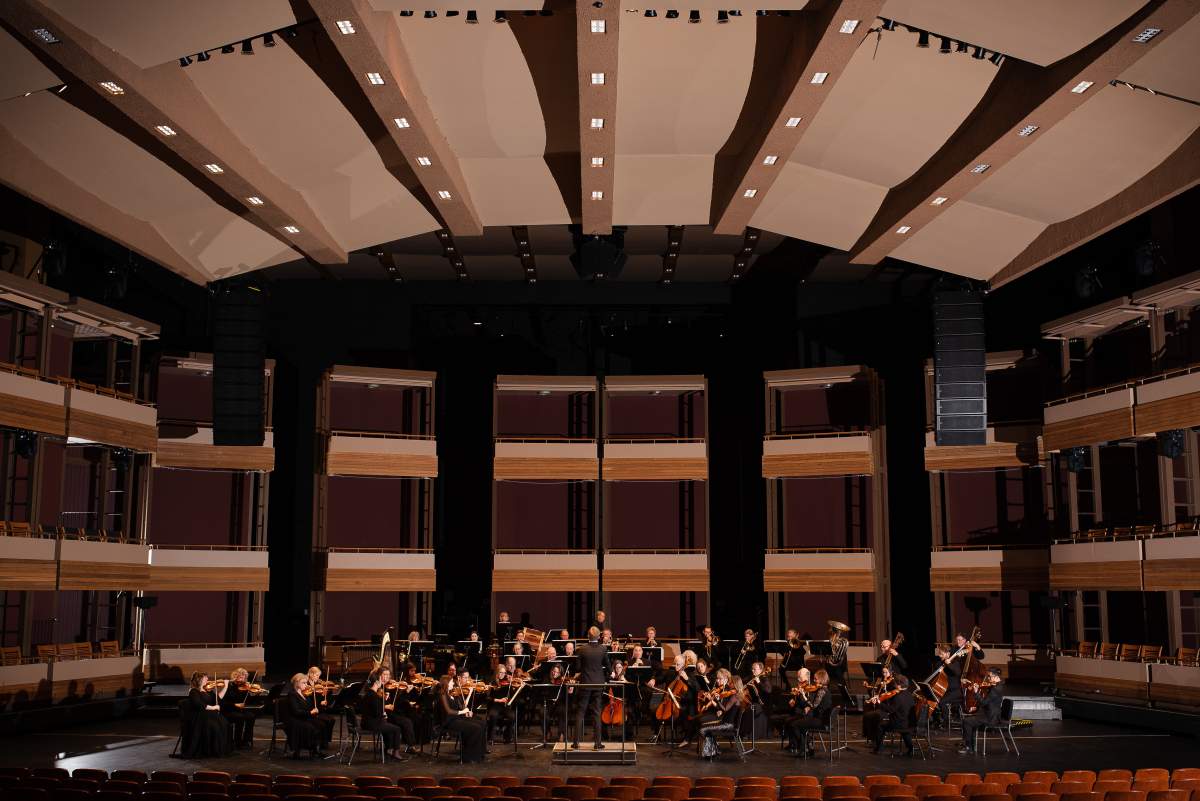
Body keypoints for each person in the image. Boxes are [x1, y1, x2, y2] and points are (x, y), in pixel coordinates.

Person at [572, 626, 610, 750]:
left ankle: (576, 743)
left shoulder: (581, 649)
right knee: (596, 713)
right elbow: (608, 667)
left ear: (588, 636)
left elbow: (577, 668)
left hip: (585, 683)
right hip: (598, 683)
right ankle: (597, 743)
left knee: (580, 712)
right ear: (599, 637)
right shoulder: (603, 649)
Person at [360, 670, 410, 760]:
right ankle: (396, 753)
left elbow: (374, 710)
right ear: (376, 682)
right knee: (397, 729)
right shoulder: (373, 696)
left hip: (367, 722)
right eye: (380, 679)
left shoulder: (369, 693)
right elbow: (377, 712)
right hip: (372, 724)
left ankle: (390, 750)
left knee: (391, 726)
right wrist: (383, 715)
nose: (382, 681)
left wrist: (382, 713)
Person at [436, 675, 487, 762]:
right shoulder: (443, 695)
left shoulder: (453, 693)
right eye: (451, 682)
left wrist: (469, 695)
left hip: (457, 718)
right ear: (446, 683)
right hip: (449, 721)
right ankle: (468, 757)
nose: (453, 683)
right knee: (475, 728)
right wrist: (463, 712)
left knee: (482, 724)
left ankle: (479, 754)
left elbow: (462, 706)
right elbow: (449, 711)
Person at [181, 672, 230, 758]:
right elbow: (199, 705)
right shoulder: (193, 691)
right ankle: (209, 750)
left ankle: (219, 750)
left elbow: (218, 699)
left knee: (224, 723)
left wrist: (225, 687)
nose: (208, 679)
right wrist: (214, 707)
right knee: (215, 726)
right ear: (199, 680)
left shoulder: (207, 690)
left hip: (208, 714)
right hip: (199, 716)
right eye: (205, 678)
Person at [785, 668, 832, 757]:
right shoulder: (825, 690)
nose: (814, 681)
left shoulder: (822, 691)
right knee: (800, 724)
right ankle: (807, 747)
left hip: (820, 720)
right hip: (821, 718)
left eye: (816, 679)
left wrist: (804, 697)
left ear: (821, 679)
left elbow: (813, 706)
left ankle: (805, 747)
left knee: (795, 724)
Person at [696, 668, 740, 759]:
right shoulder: (727, 692)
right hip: (724, 720)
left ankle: (711, 751)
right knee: (702, 725)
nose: (717, 680)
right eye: (717, 678)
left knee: (703, 729)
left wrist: (716, 700)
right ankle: (713, 750)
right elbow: (722, 708)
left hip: (728, 725)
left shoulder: (733, 695)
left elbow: (724, 709)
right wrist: (715, 701)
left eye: (719, 679)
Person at [285, 673, 332, 756]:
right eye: (304, 683)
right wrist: (310, 712)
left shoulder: (305, 694)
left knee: (322, 724)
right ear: (297, 683)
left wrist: (320, 703)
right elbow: (296, 711)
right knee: (311, 727)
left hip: (305, 717)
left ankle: (316, 749)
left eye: (306, 683)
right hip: (296, 720)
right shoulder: (292, 694)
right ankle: (303, 749)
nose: (306, 685)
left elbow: (311, 706)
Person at [959, 669, 1004, 754]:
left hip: (991, 718)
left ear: (996, 677)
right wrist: (976, 707)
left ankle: (968, 747)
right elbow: (990, 703)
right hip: (991, 714)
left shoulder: (996, 689)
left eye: (989, 677)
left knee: (967, 721)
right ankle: (969, 744)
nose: (988, 679)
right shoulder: (998, 685)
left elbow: (984, 702)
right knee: (970, 720)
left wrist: (976, 692)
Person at [871, 674, 915, 756]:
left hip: (898, 724)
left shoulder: (898, 697)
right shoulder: (910, 695)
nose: (894, 686)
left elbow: (890, 710)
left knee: (880, 726)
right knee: (905, 730)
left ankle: (878, 749)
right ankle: (910, 748)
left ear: (899, 685)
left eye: (895, 684)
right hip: (910, 723)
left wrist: (879, 703)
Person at [861, 665, 895, 742]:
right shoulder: (882, 681)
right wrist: (873, 698)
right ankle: (869, 734)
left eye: (886, 672)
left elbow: (891, 695)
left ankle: (875, 736)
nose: (884, 674)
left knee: (872, 712)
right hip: (880, 702)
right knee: (867, 706)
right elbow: (878, 694)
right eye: (883, 672)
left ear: (891, 672)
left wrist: (884, 689)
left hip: (887, 704)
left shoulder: (893, 682)